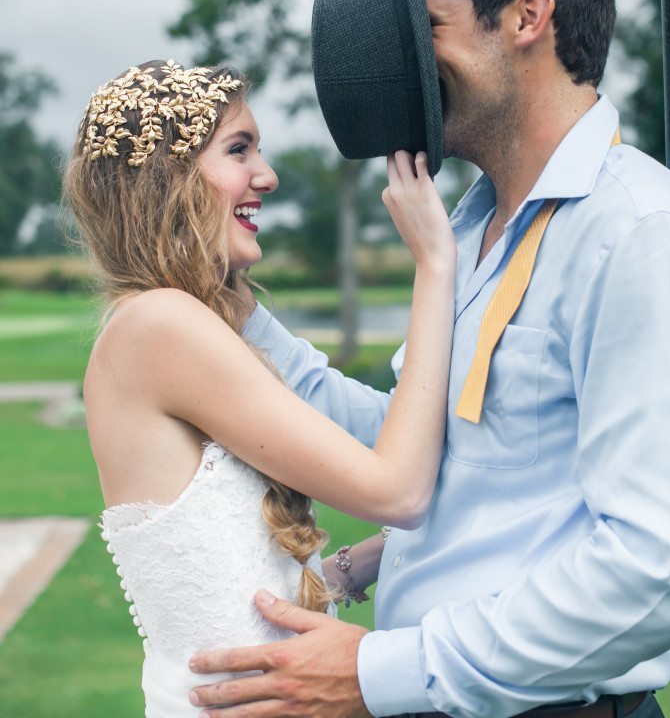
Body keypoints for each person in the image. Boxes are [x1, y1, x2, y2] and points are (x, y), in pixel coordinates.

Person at [188, 0, 670, 718]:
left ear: (527, 16)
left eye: (431, 26)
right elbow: (419, 446)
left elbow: (654, 566)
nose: (404, 59)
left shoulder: (635, 232)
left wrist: (383, 672)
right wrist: (229, 306)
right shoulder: (468, 224)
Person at [63, 59, 457, 718]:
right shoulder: (162, 326)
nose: (266, 175)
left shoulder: (168, 324)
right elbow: (398, 489)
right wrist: (434, 266)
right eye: (239, 149)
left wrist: (353, 569)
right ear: (170, 179)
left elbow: (229, 578)